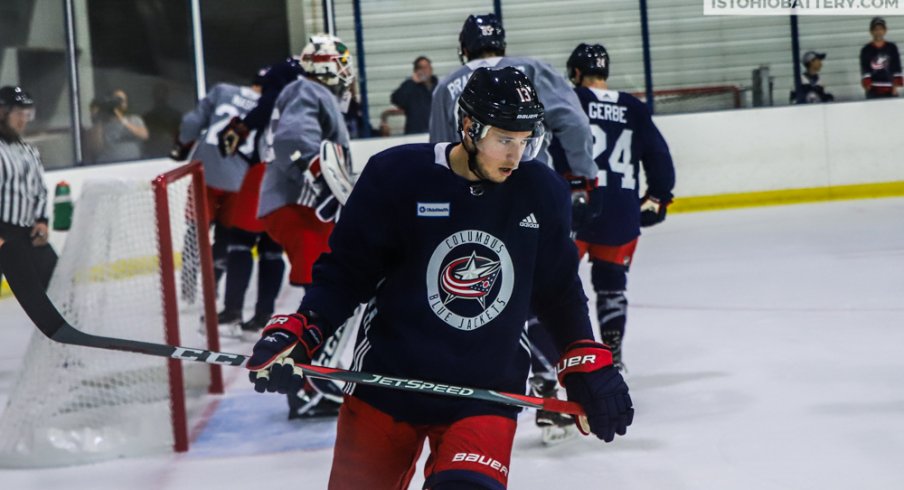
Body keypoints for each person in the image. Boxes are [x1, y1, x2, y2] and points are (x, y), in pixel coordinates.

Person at [246, 66, 634, 489]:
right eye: (504, 140)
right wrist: (305, 330)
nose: (516, 156)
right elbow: (346, 272)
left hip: (485, 394)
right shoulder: (396, 177)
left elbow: (558, 289)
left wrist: (582, 356)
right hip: (386, 386)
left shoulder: (541, 191)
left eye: (525, 141)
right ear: (469, 127)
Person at [429, 13, 599, 231]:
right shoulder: (534, 69)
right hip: (531, 187)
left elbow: (440, 151)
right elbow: (575, 124)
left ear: (465, 48)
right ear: (501, 44)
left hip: (471, 202)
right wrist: (584, 179)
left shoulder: (445, 87)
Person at [170, 69, 285, 335]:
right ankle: (215, 286)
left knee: (196, 227)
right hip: (240, 179)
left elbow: (190, 123)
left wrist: (182, 144)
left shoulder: (223, 90)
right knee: (229, 236)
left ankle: (189, 284)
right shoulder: (272, 105)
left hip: (206, 170)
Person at [0, 86, 57, 292]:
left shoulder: (28, 150)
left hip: (26, 232)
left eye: (27, 114)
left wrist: (42, 221)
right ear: (2, 112)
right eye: (18, 113)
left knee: (56, 281)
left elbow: (39, 189)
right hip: (2, 229)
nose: (23, 120)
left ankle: (55, 325)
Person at [90, 89, 149, 162]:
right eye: (116, 100)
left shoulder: (134, 119)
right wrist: (99, 118)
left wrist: (122, 120)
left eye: (121, 101)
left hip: (134, 164)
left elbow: (144, 135)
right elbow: (95, 149)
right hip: (108, 166)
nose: (118, 103)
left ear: (126, 104)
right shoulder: (102, 125)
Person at [385, 56, 437, 135]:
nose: (425, 71)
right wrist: (412, 82)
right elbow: (396, 99)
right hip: (415, 133)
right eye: (421, 68)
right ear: (416, 71)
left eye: (427, 67)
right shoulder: (410, 86)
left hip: (435, 131)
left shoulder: (438, 86)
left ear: (431, 69)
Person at [860, 17, 903, 99]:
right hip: (873, 89)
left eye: (880, 29)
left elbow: (896, 67)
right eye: (875, 29)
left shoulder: (892, 48)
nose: (878, 32)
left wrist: (895, 87)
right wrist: (867, 87)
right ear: (871, 31)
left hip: (890, 88)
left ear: (885, 30)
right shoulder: (866, 50)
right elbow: (865, 70)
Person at [143, 82, 182, 158]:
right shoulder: (147, 117)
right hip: (152, 156)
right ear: (154, 95)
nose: (160, 96)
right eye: (158, 93)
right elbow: (146, 139)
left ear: (166, 95)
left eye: (162, 93)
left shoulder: (176, 116)